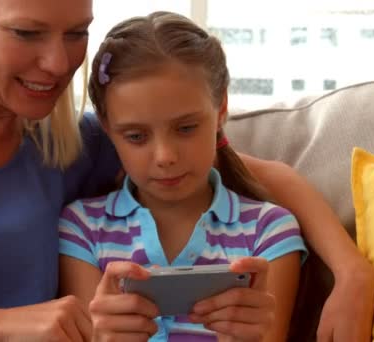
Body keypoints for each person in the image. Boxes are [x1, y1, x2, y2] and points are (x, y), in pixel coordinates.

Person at [0, 0, 374, 341]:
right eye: (27, 32)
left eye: (76, 32)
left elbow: (250, 167)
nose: (58, 64)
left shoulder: (73, 144)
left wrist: (353, 273)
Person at [58, 11, 307, 341]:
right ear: (107, 128)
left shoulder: (269, 231)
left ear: (220, 110)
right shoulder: (82, 227)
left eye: (186, 128)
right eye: (136, 136)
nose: (165, 157)